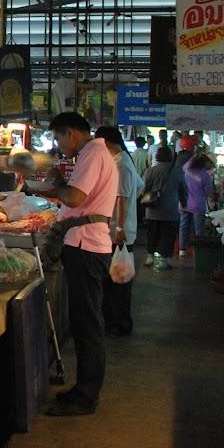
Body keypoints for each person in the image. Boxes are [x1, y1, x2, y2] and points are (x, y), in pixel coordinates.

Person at [44, 113, 118, 416]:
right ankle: (84, 390)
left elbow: (74, 198)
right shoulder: (97, 153)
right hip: (86, 245)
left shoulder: (92, 154)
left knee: (86, 324)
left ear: (73, 133)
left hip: (86, 246)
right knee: (85, 321)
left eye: (60, 138)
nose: (60, 146)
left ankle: (87, 396)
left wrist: (56, 182)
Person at [96, 126, 139, 338]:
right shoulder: (122, 161)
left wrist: (120, 227)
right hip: (121, 229)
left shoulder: (121, 164)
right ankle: (117, 321)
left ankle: (119, 324)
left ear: (106, 142)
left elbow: (122, 198)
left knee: (117, 281)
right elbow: (139, 188)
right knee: (116, 280)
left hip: (118, 232)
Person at [141, 145, 186, 270]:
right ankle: (163, 260)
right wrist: (184, 203)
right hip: (170, 210)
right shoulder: (178, 171)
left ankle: (150, 256)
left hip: (152, 209)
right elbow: (183, 190)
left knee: (152, 233)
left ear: (157, 156)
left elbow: (144, 189)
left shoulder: (150, 171)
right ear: (171, 157)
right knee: (167, 235)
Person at [179, 153, 217, 258]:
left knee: (183, 226)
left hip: (184, 202)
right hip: (197, 204)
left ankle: (182, 250)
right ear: (204, 163)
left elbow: (187, 164)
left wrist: (195, 155)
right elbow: (208, 192)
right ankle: (198, 251)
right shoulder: (204, 175)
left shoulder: (187, 169)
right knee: (199, 229)